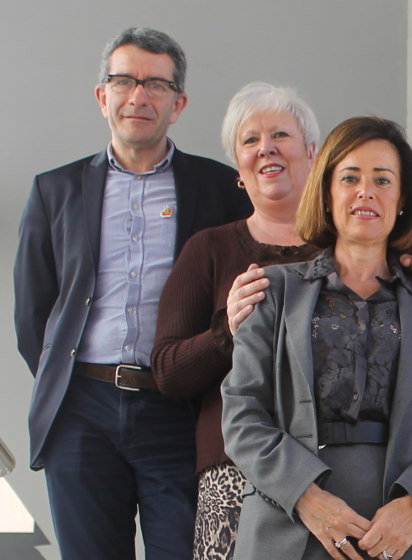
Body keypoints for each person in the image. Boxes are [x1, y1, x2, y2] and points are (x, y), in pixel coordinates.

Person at [13, 27, 253, 559]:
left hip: (179, 409)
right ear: (103, 96)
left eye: (155, 84)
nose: (138, 96)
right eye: (123, 81)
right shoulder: (55, 191)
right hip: (81, 414)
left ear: (179, 102)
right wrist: (71, 382)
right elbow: (34, 316)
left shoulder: (220, 189)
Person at [221, 116, 412, 560]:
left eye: (383, 179)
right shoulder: (272, 293)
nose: (366, 191)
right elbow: (242, 417)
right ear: (326, 193)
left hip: (400, 532)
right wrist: (307, 497)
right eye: (350, 177)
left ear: (402, 200)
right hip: (290, 524)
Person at [151, 82, 322, 559]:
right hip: (233, 477)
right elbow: (167, 370)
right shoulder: (208, 249)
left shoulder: (352, 250)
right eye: (249, 140)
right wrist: (226, 329)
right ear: (239, 171)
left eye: (280, 135)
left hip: (335, 474)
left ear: (312, 153)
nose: (265, 148)